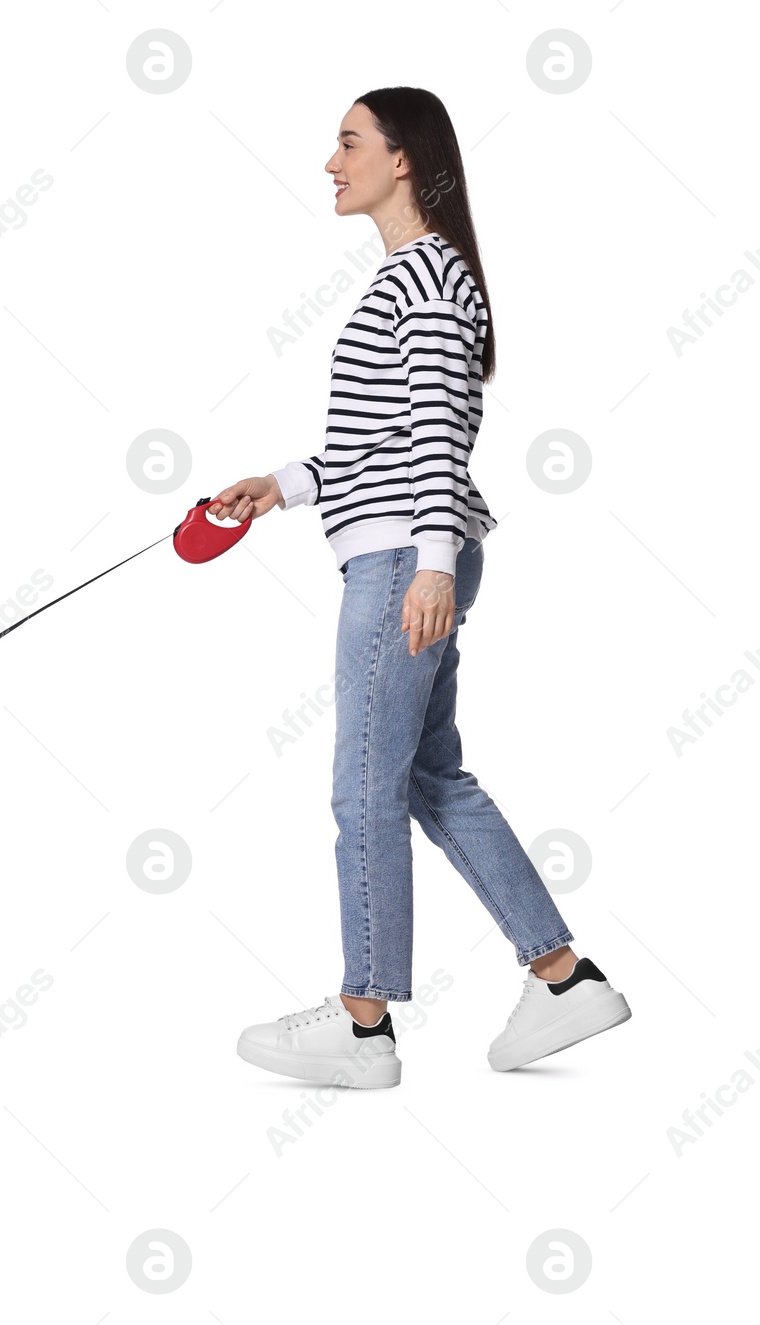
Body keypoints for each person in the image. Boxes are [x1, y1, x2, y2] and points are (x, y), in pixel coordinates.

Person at [213, 88, 629, 1089]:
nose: (329, 162)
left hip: (406, 556)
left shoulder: (427, 285)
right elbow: (380, 438)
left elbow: (440, 438)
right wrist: (281, 486)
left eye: (348, 142)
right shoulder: (415, 280)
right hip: (404, 546)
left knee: (362, 782)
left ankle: (362, 1024)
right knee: (428, 779)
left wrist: (433, 563)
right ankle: (562, 977)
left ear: (403, 160)